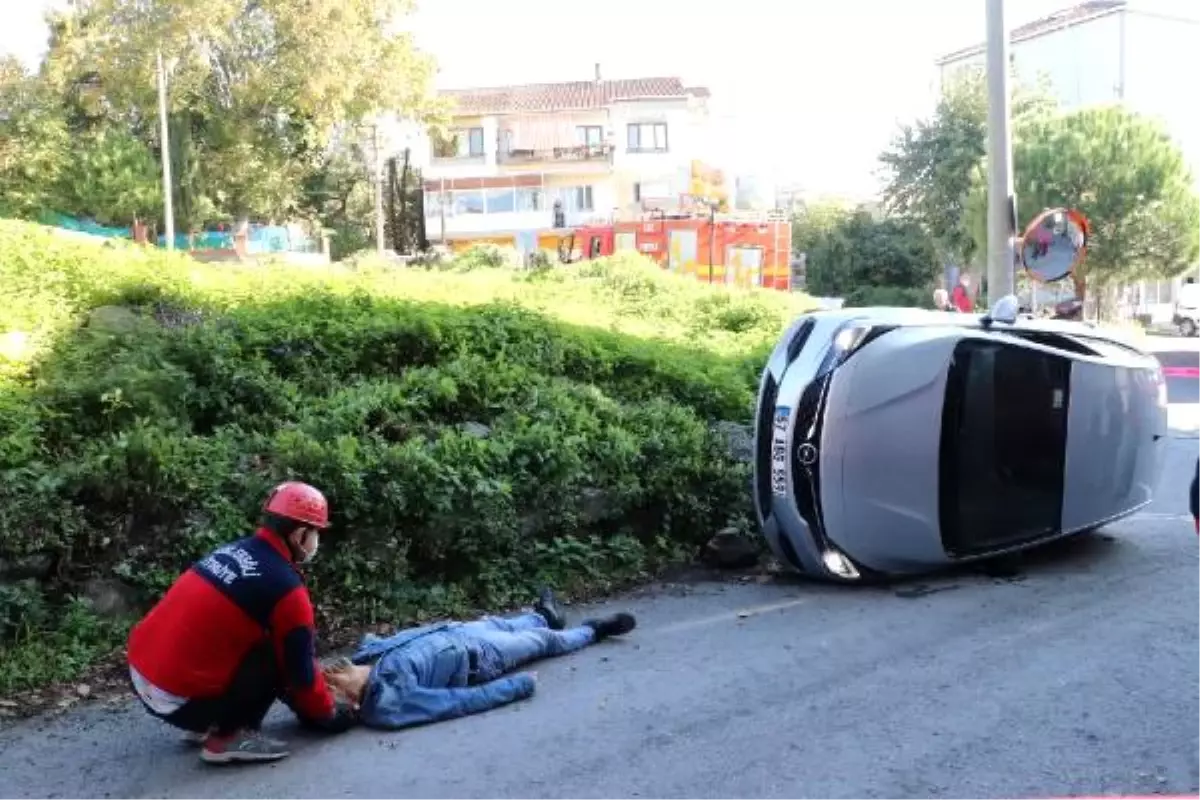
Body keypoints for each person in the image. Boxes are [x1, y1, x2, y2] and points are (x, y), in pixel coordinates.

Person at [125, 482, 359, 765]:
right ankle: (227, 736)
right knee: (279, 651)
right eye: (316, 533)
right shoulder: (286, 589)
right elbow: (300, 673)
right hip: (177, 700)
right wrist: (328, 715)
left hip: (140, 677)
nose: (316, 542)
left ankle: (204, 722)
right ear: (300, 535)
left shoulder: (232, 551)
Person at [322, 588, 636, 730]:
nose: (329, 672)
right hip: (481, 657)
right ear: (351, 704)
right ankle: (594, 631)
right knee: (543, 642)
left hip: (458, 632)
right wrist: (517, 687)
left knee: (505, 622)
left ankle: (545, 616)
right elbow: (457, 702)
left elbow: (384, 641)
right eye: (330, 684)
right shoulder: (388, 702)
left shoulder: (365, 656)